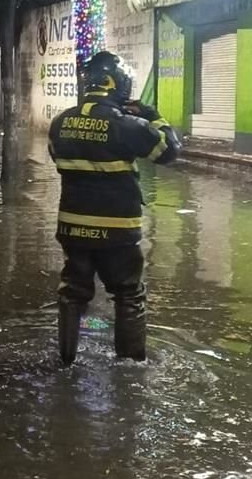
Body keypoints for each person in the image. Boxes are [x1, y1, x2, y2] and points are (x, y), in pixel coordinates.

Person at [47, 51, 180, 365]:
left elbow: (57, 158)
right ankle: (130, 368)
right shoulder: (127, 125)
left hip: (72, 227)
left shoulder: (59, 122)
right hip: (118, 231)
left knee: (72, 292)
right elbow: (169, 150)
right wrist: (152, 115)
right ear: (118, 84)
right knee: (128, 294)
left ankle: (65, 362)